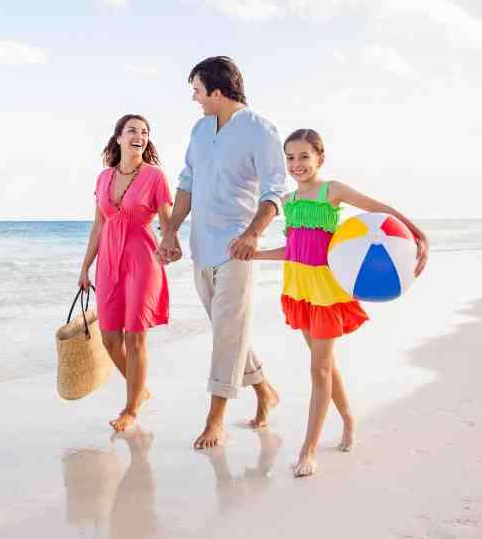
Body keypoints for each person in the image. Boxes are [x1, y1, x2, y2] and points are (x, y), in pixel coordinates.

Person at [253, 128, 429, 477]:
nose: (296, 164)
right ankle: (349, 419)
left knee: (318, 369)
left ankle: (309, 450)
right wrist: (254, 255)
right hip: (299, 290)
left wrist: (417, 233)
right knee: (325, 366)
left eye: (304, 156)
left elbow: (382, 210)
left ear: (320, 158)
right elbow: (295, 251)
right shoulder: (287, 202)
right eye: (290, 157)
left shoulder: (332, 191)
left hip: (327, 291)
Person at [156, 56, 288, 449]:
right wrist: (171, 232)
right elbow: (187, 183)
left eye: (197, 90)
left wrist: (252, 234)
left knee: (227, 333)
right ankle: (265, 390)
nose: (195, 99)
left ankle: (216, 420)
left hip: (237, 248)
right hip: (201, 246)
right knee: (228, 330)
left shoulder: (260, 130)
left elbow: (274, 191)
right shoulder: (199, 130)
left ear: (217, 90)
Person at [79, 114, 173, 432]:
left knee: (135, 336)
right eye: (132, 130)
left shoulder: (154, 177)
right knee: (108, 338)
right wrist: (84, 267)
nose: (140, 135)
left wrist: (171, 239)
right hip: (108, 260)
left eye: (145, 132)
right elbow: (98, 225)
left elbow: (167, 216)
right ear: (118, 137)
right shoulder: (104, 177)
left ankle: (131, 409)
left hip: (143, 259)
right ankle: (139, 390)